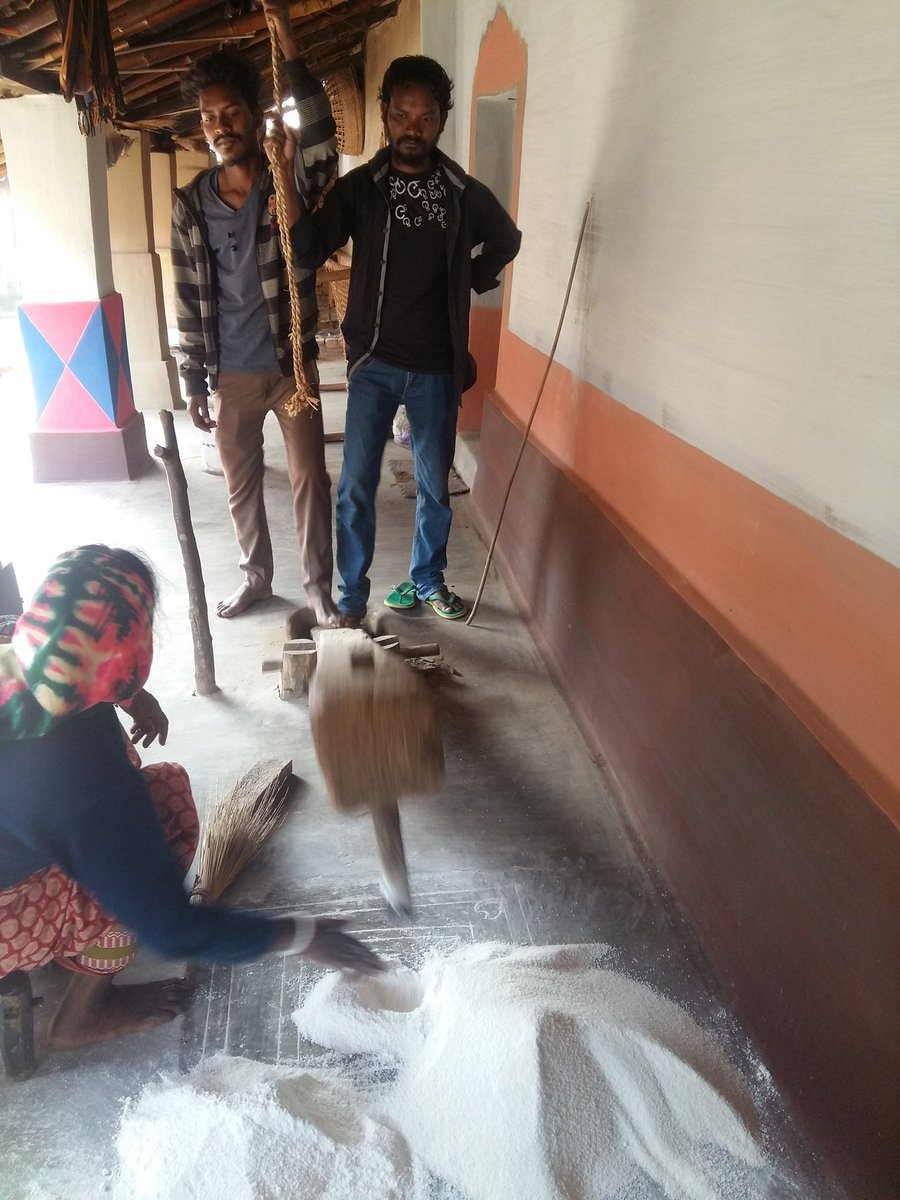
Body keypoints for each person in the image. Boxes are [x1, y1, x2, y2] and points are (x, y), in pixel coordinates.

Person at [0, 545, 383, 1051]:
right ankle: (81, 1017)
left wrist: (130, 697)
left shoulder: (14, 648)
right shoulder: (85, 780)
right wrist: (302, 936)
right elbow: (172, 930)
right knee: (157, 823)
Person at [286, 55, 522, 625]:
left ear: (441, 120)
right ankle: (351, 598)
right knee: (356, 487)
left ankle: (428, 579)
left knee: (433, 487)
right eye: (401, 115)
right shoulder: (363, 188)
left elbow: (506, 239)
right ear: (385, 116)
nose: (412, 127)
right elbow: (308, 248)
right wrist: (286, 178)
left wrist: (469, 278)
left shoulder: (461, 191)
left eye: (425, 117)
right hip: (373, 363)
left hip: (438, 366)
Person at [172, 0, 338, 624]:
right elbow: (188, 295)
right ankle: (257, 580)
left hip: (291, 364)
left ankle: (318, 588)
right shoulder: (192, 205)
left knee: (310, 479)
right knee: (240, 486)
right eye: (208, 118)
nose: (219, 127)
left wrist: (286, 35)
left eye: (231, 113)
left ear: (254, 112)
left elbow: (323, 137)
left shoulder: (285, 177)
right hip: (232, 373)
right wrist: (194, 378)